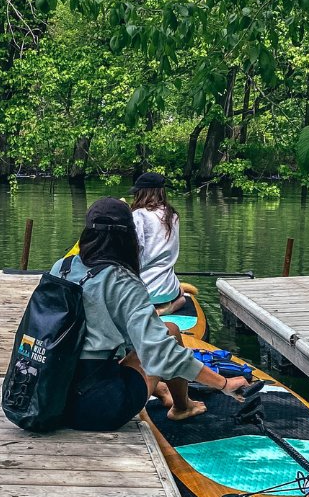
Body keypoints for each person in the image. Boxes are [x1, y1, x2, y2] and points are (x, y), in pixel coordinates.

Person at [55, 197, 247, 431]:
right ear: (129, 236)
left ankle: (172, 397)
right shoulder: (123, 281)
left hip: (53, 395)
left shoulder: (61, 268)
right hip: (94, 408)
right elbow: (162, 353)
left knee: (168, 330)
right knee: (167, 338)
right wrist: (223, 383)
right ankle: (181, 407)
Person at [130, 171, 186, 315]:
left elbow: (133, 254)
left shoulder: (138, 215)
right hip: (167, 289)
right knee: (181, 291)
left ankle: (159, 310)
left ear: (142, 193)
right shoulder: (172, 215)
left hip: (142, 293)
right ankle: (170, 305)